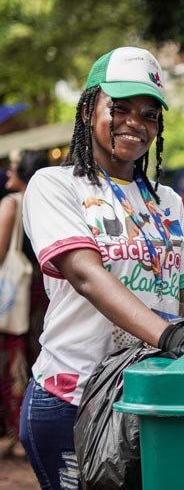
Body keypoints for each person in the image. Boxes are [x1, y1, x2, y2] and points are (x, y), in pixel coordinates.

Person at [19, 46, 184, 488]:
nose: (134, 123)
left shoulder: (168, 201)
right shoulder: (54, 185)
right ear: (89, 109)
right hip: (74, 396)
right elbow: (85, 274)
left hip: (149, 394)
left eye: (148, 114)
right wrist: (170, 335)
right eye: (119, 108)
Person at [0, 149, 49, 458]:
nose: (8, 174)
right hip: (43, 291)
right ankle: (31, 433)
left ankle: (18, 435)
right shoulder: (46, 201)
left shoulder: (12, 203)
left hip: (17, 294)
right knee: (38, 357)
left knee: (13, 361)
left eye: (14, 169)